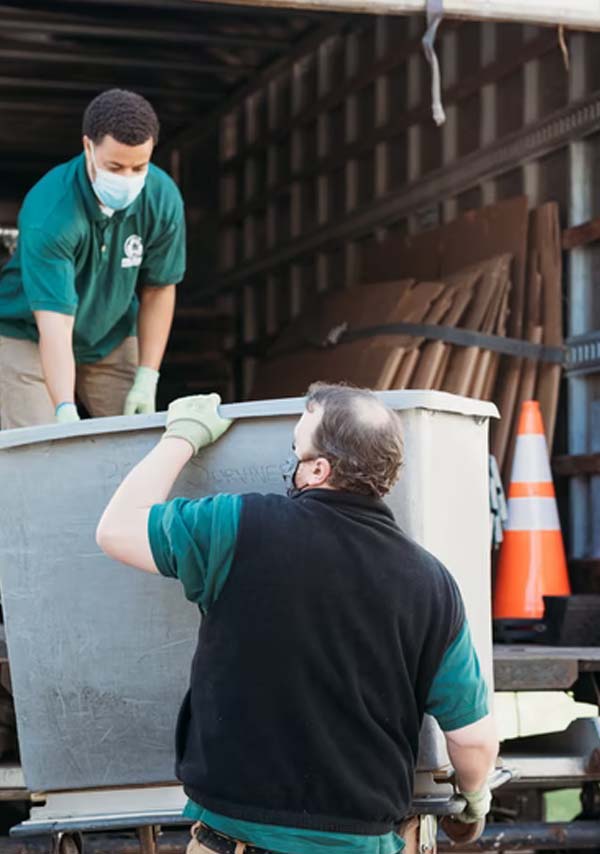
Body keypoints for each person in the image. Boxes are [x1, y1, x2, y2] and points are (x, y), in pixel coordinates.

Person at [97, 383, 499, 854]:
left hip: (234, 839)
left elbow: (116, 529)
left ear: (317, 469)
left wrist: (182, 436)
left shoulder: (237, 526)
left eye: (295, 449)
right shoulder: (432, 585)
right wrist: (474, 798)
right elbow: (472, 739)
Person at [0, 88, 186, 429]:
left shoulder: (161, 198)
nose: (128, 179)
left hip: (110, 334)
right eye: (115, 166)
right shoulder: (50, 211)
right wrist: (65, 409)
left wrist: (148, 376)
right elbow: (55, 322)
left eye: (139, 166)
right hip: (29, 333)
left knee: (140, 443)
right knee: (42, 451)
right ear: (88, 146)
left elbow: (159, 288)